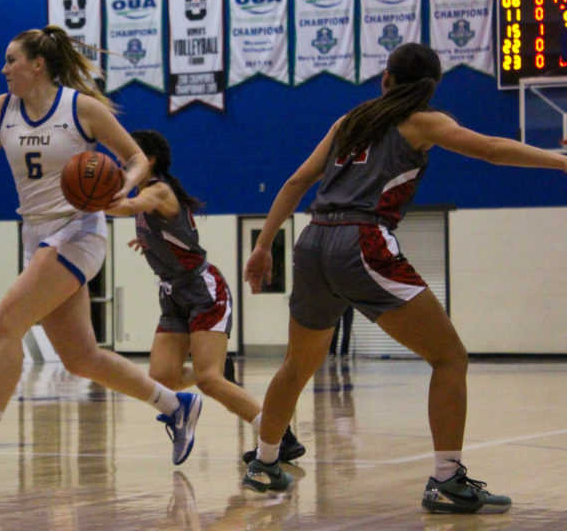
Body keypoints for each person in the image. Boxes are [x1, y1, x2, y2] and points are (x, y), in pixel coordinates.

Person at [241, 43, 567, 513]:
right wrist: (558, 161)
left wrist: (261, 244)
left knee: (296, 365)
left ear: (386, 78)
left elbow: (296, 182)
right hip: (362, 240)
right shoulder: (422, 121)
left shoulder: (347, 121)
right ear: (430, 86)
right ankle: (448, 479)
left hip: (312, 241)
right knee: (450, 357)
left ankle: (265, 462)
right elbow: (493, 150)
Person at [0, 25, 202, 470]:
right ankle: (176, 405)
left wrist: (123, 188)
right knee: (81, 358)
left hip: (79, 230)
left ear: (37, 65)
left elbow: (136, 159)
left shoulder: (82, 109)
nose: (3, 70)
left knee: (6, 321)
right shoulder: (1, 110)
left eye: (11, 60)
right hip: (35, 233)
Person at [106, 130, 305, 464]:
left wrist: (86, 201)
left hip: (202, 289)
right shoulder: (149, 194)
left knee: (209, 381)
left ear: (148, 160)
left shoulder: (158, 190)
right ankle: (215, 372)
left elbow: (130, 206)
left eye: (128, 159)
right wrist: (151, 244)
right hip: (172, 292)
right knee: (162, 377)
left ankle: (281, 436)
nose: (122, 165)